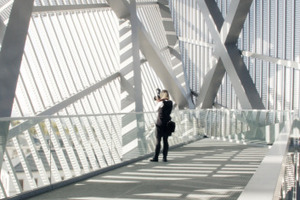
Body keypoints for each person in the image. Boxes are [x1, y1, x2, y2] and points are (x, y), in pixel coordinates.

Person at [150, 89, 173, 162]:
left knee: (158, 141)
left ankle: (156, 157)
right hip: (167, 123)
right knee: (165, 141)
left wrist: (157, 102)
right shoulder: (170, 102)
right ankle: (164, 157)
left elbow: (155, 110)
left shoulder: (161, 103)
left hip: (160, 124)